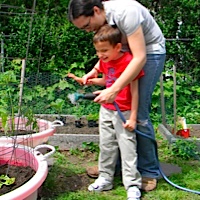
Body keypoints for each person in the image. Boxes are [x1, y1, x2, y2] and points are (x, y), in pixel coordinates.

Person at [68, 0, 166, 192]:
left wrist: (114, 89)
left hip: (149, 52)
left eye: (87, 25)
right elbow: (110, 48)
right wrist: (95, 70)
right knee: (116, 120)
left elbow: (139, 57)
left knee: (138, 115)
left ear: (96, 11)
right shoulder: (104, 18)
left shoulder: (126, 13)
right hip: (127, 53)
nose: (88, 30)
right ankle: (114, 168)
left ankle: (148, 171)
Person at [68, 24, 144, 200]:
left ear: (118, 47)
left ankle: (132, 185)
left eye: (104, 50)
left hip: (123, 112)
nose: (100, 55)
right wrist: (91, 81)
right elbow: (109, 81)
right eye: (97, 51)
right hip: (106, 110)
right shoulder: (105, 61)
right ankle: (105, 178)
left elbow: (135, 91)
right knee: (106, 146)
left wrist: (133, 117)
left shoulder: (129, 62)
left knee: (128, 149)